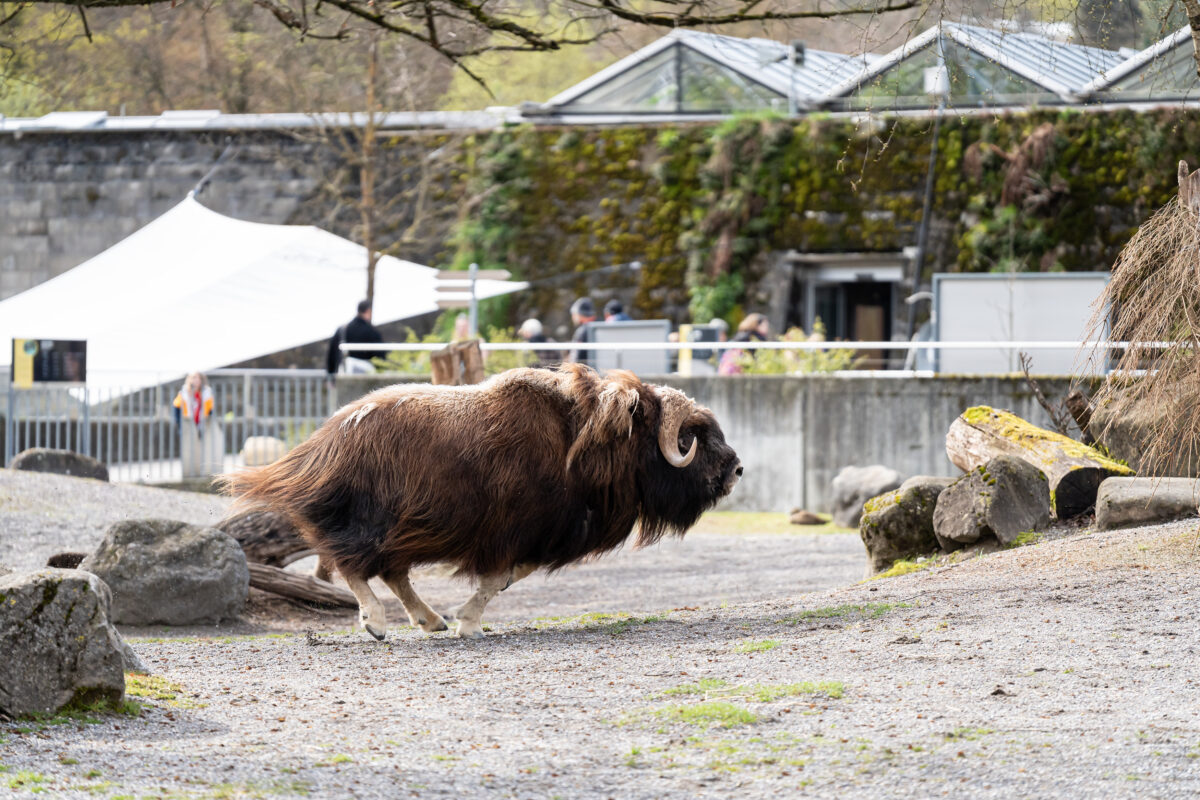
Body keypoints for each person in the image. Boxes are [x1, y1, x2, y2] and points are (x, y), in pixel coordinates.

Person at [326, 299, 383, 379]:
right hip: (367, 378)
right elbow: (380, 358)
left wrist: (331, 376)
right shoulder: (372, 332)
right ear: (368, 311)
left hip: (343, 377)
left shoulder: (342, 330)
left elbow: (332, 355)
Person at [567, 296, 597, 368]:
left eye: (573, 314)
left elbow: (576, 357)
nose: (573, 318)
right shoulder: (598, 328)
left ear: (579, 314)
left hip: (585, 375)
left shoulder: (582, 331)